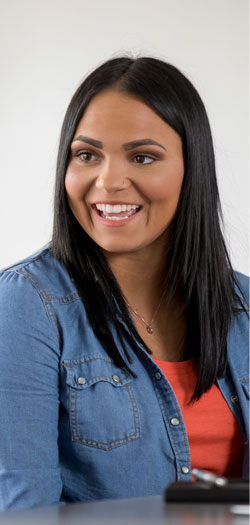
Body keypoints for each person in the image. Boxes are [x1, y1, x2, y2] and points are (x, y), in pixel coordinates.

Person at [0, 56, 249, 511]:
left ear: (192, 168)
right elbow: (23, 514)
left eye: (142, 157)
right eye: (87, 155)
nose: (108, 181)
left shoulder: (244, 305)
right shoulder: (26, 305)